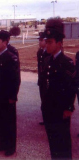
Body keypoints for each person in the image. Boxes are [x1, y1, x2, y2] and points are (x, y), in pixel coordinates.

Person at [42, 17, 76, 160]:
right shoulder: (47, 61)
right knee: (52, 141)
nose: (46, 45)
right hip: (49, 110)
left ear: (59, 44)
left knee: (63, 142)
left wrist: (69, 108)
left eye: (50, 42)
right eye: (46, 42)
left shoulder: (67, 63)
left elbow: (71, 87)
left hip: (61, 111)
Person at [0, 31, 21, 156]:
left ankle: (11, 147)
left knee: (9, 122)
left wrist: (13, 96)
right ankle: (2, 144)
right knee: (0, 121)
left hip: (7, 97)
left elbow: (15, 79)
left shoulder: (11, 57)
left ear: (5, 43)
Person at [37, 31, 50, 125]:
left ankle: (50, 119)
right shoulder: (40, 52)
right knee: (43, 99)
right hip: (42, 81)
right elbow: (40, 67)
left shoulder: (50, 53)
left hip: (49, 81)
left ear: (46, 41)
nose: (39, 42)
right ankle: (46, 118)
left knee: (49, 100)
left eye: (41, 40)